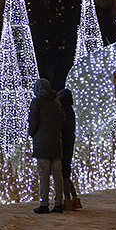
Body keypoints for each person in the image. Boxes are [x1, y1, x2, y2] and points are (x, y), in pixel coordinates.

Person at [27, 77, 65, 214]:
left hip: (42, 144)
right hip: (56, 143)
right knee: (57, 175)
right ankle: (59, 204)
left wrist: (32, 133)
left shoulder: (37, 102)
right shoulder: (56, 102)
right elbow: (62, 121)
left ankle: (44, 204)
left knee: (43, 175)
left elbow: (33, 122)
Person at [57, 88, 81, 210]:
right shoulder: (70, 110)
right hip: (69, 143)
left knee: (63, 173)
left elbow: (61, 126)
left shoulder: (63, 111)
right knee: (66, 172)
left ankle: (68, 200)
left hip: (63, 144)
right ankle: (75, 199)